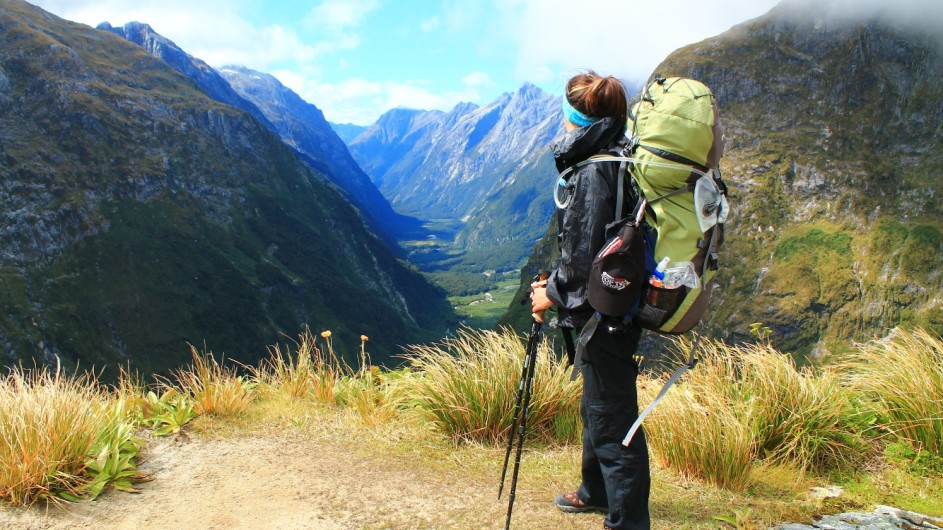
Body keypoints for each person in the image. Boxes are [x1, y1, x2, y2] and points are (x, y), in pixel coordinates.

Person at [530, 70, 650, 530]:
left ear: (576, 116)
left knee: (611, 416)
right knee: (598, 405)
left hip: (604, 313)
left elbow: (582, 262)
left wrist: (550, 293)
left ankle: (629, 522)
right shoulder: (616, 158)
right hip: (615, 305)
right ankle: (593, 491)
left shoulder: (595, 170)